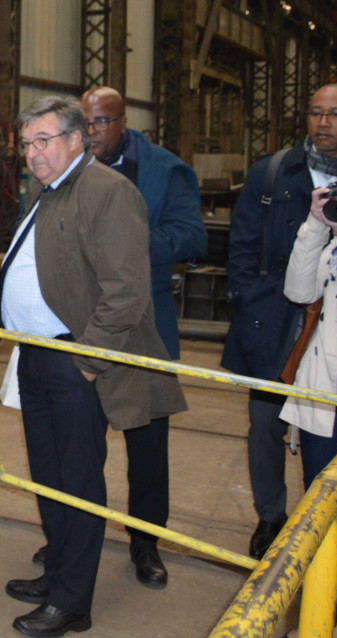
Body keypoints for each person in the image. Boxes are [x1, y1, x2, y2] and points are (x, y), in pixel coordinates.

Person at [0, 96, 186, 638]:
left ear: (77, 139)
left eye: (44, 141)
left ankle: (72, 603)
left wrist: (87, 360)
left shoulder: (107, 191)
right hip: (37, 356)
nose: (33, 154)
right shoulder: (51, 192)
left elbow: (125, 291)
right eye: (27, 144)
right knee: (50, 477)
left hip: (74, 361)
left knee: (77, 480)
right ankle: (57, 573)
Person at [79, 86, 206, 585]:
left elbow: (192, 237)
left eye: (100, 124)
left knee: (147, 447)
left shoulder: (164, 170)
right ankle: (73, 537)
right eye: (84, 123)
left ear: (123, 122)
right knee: (79, 443)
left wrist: (125, 246)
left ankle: (146, 542)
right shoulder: (68, 168)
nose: (91, 134)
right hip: (82, 325)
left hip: (143, 328)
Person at [224, 83, 337, 558]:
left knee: (328, 430)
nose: (323, 122)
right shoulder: (273, 173)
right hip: (276, 315)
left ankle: (326, 524)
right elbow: (243, 245)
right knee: (266, 424)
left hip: (333, 315)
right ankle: (271, 516)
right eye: (316, 113)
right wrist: (252, 301)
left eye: (335, 113)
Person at [282, 186, 337, 491]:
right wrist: (316, 226)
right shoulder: (335, 249)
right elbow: (299, 292)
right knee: (320, 494)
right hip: (327, 390)